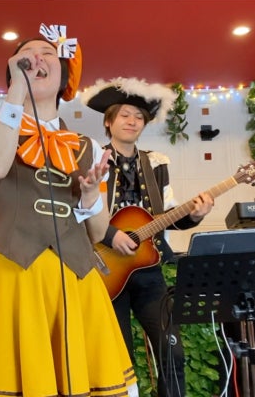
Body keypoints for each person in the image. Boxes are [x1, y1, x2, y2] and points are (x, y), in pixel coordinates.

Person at [0, 27, 138, 397]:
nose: (37, 58)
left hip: (75, 279)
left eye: (48, 53)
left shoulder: (88, 147)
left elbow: (99, 231)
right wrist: (16, 91)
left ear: (64, 76)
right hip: (13, 277)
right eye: (27, 54)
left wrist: (88, 195)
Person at [81, 77, 214, 397]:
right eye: (125, 115)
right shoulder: (93, 160)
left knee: (172, 351)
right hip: (105, 269)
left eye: (139, 117)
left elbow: (166, 215)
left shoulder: (156, 163)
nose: (132, 121)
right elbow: (81, 211)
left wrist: (195, 215)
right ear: (109, 121)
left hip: (149, 269)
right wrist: (111, 235)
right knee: (118, 359)